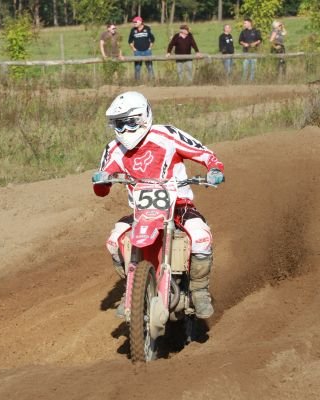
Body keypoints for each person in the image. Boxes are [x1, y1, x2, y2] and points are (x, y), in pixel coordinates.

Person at [91, 91, 225, 319]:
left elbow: (205, 154)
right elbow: (101, 188)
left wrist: (214, 169)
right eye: (119, 124)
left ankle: (199, 291)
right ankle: (131, 289)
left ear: (143, 117)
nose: (124, 130)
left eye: (129, 123)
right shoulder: (113, 149)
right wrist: (102, 180)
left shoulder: (167, 135)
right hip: (142, 213)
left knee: (200, 236)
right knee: (114, 241)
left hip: (179, 207)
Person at [128, 16, 155, 81]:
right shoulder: (133, 30)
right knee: (137, 68)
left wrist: (150, 48)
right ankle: (137, 82)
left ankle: (152, 82)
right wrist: (134, 49)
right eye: (133, 22)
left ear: (140, 22)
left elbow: (152, 39)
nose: (134, 23)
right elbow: (130, 41)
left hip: (147, 51)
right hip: (137, 52)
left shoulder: (147, 28)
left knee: (149, 67)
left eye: (135, 22)